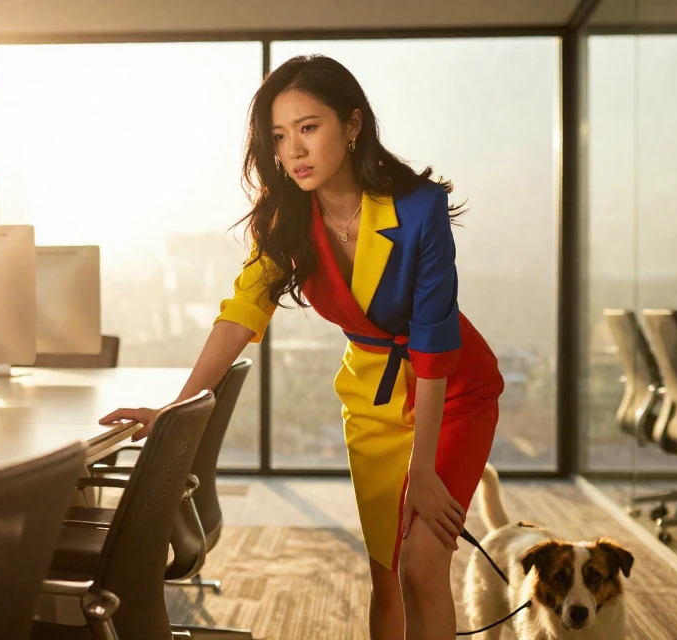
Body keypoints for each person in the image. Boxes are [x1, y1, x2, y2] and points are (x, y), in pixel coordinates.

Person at [101, 54, 504, 640]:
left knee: (422, 564)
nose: (293, 151)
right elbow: (240, 314)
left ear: (353, 125)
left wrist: (422, 467)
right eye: (280, 136)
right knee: (387, 575)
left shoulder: (419, 209)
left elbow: (435, 336)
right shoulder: (285, 217)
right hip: (371, 395)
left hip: (452, 391)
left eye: (309, 128)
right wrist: (173, 409)